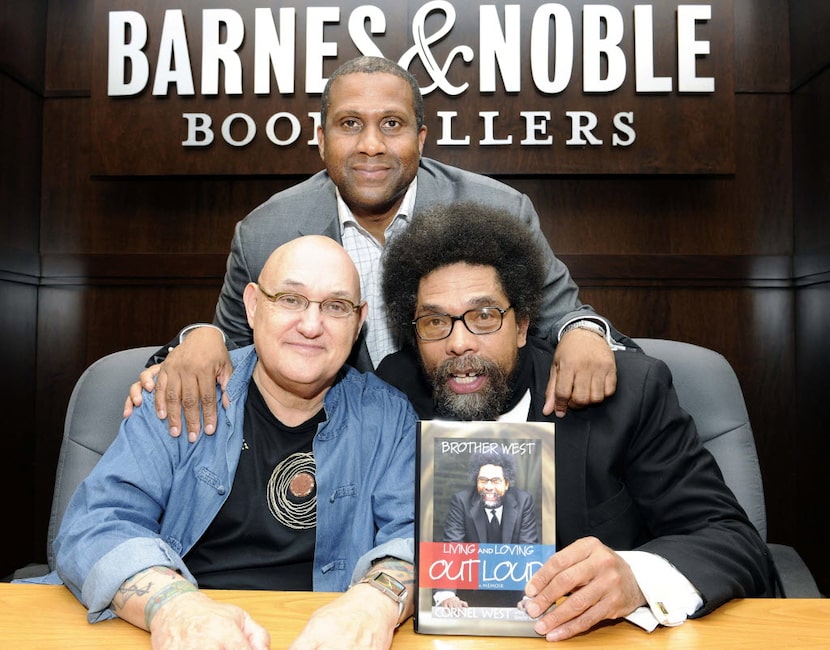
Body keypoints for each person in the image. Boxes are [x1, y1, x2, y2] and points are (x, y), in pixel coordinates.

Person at [126, 55, 635, 442]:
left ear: (420, 137)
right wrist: (198, 337)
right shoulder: (266, 230)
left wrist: (585, 333)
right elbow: (235, 343)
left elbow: (564, 316)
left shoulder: (498, 209)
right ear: (321, 139)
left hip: (466, 438)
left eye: (391, 124)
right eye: (351, 124)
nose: (371, 145)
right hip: (335, 448)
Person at [375, 202, 776, 642]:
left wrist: (635, 577)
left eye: (485, 316)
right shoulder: (394, 393)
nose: (459, 343)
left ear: (524, 325)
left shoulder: (627, 395)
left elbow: (734, 541)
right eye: (434, 321)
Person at [51, 236, 417, 649]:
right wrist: (175, 608)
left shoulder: (389, 416)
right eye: (291, 299)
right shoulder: (184, 389)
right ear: (253, 305)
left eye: (336, 307)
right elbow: (95, 526)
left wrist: (373, 604)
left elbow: (416, 536)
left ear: (359, 321)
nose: (312, 326)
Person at [436, 448, 538, 609]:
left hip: (512, 593)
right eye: (483, 480)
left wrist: (530, 596)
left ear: (507, 484)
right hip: (470, 595)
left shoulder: (523, 501)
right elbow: (452, 546)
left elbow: (528, 550)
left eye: (496, 481)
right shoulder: (461, 501)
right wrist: (447, 594)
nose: (488, 487)